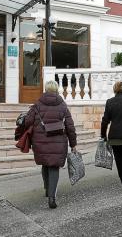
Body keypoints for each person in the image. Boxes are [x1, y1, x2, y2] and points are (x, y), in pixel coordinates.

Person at [24, 80, 77, 209]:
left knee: (45, 164)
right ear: (57, 89)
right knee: (54, 167)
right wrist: (73, 143)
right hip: (58, 141)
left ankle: (48, 190)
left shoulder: (37, 105)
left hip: (40, 141)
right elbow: (70, 126)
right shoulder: (63, 106)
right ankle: (52, 196)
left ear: (46, 89)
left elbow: (27, 122)